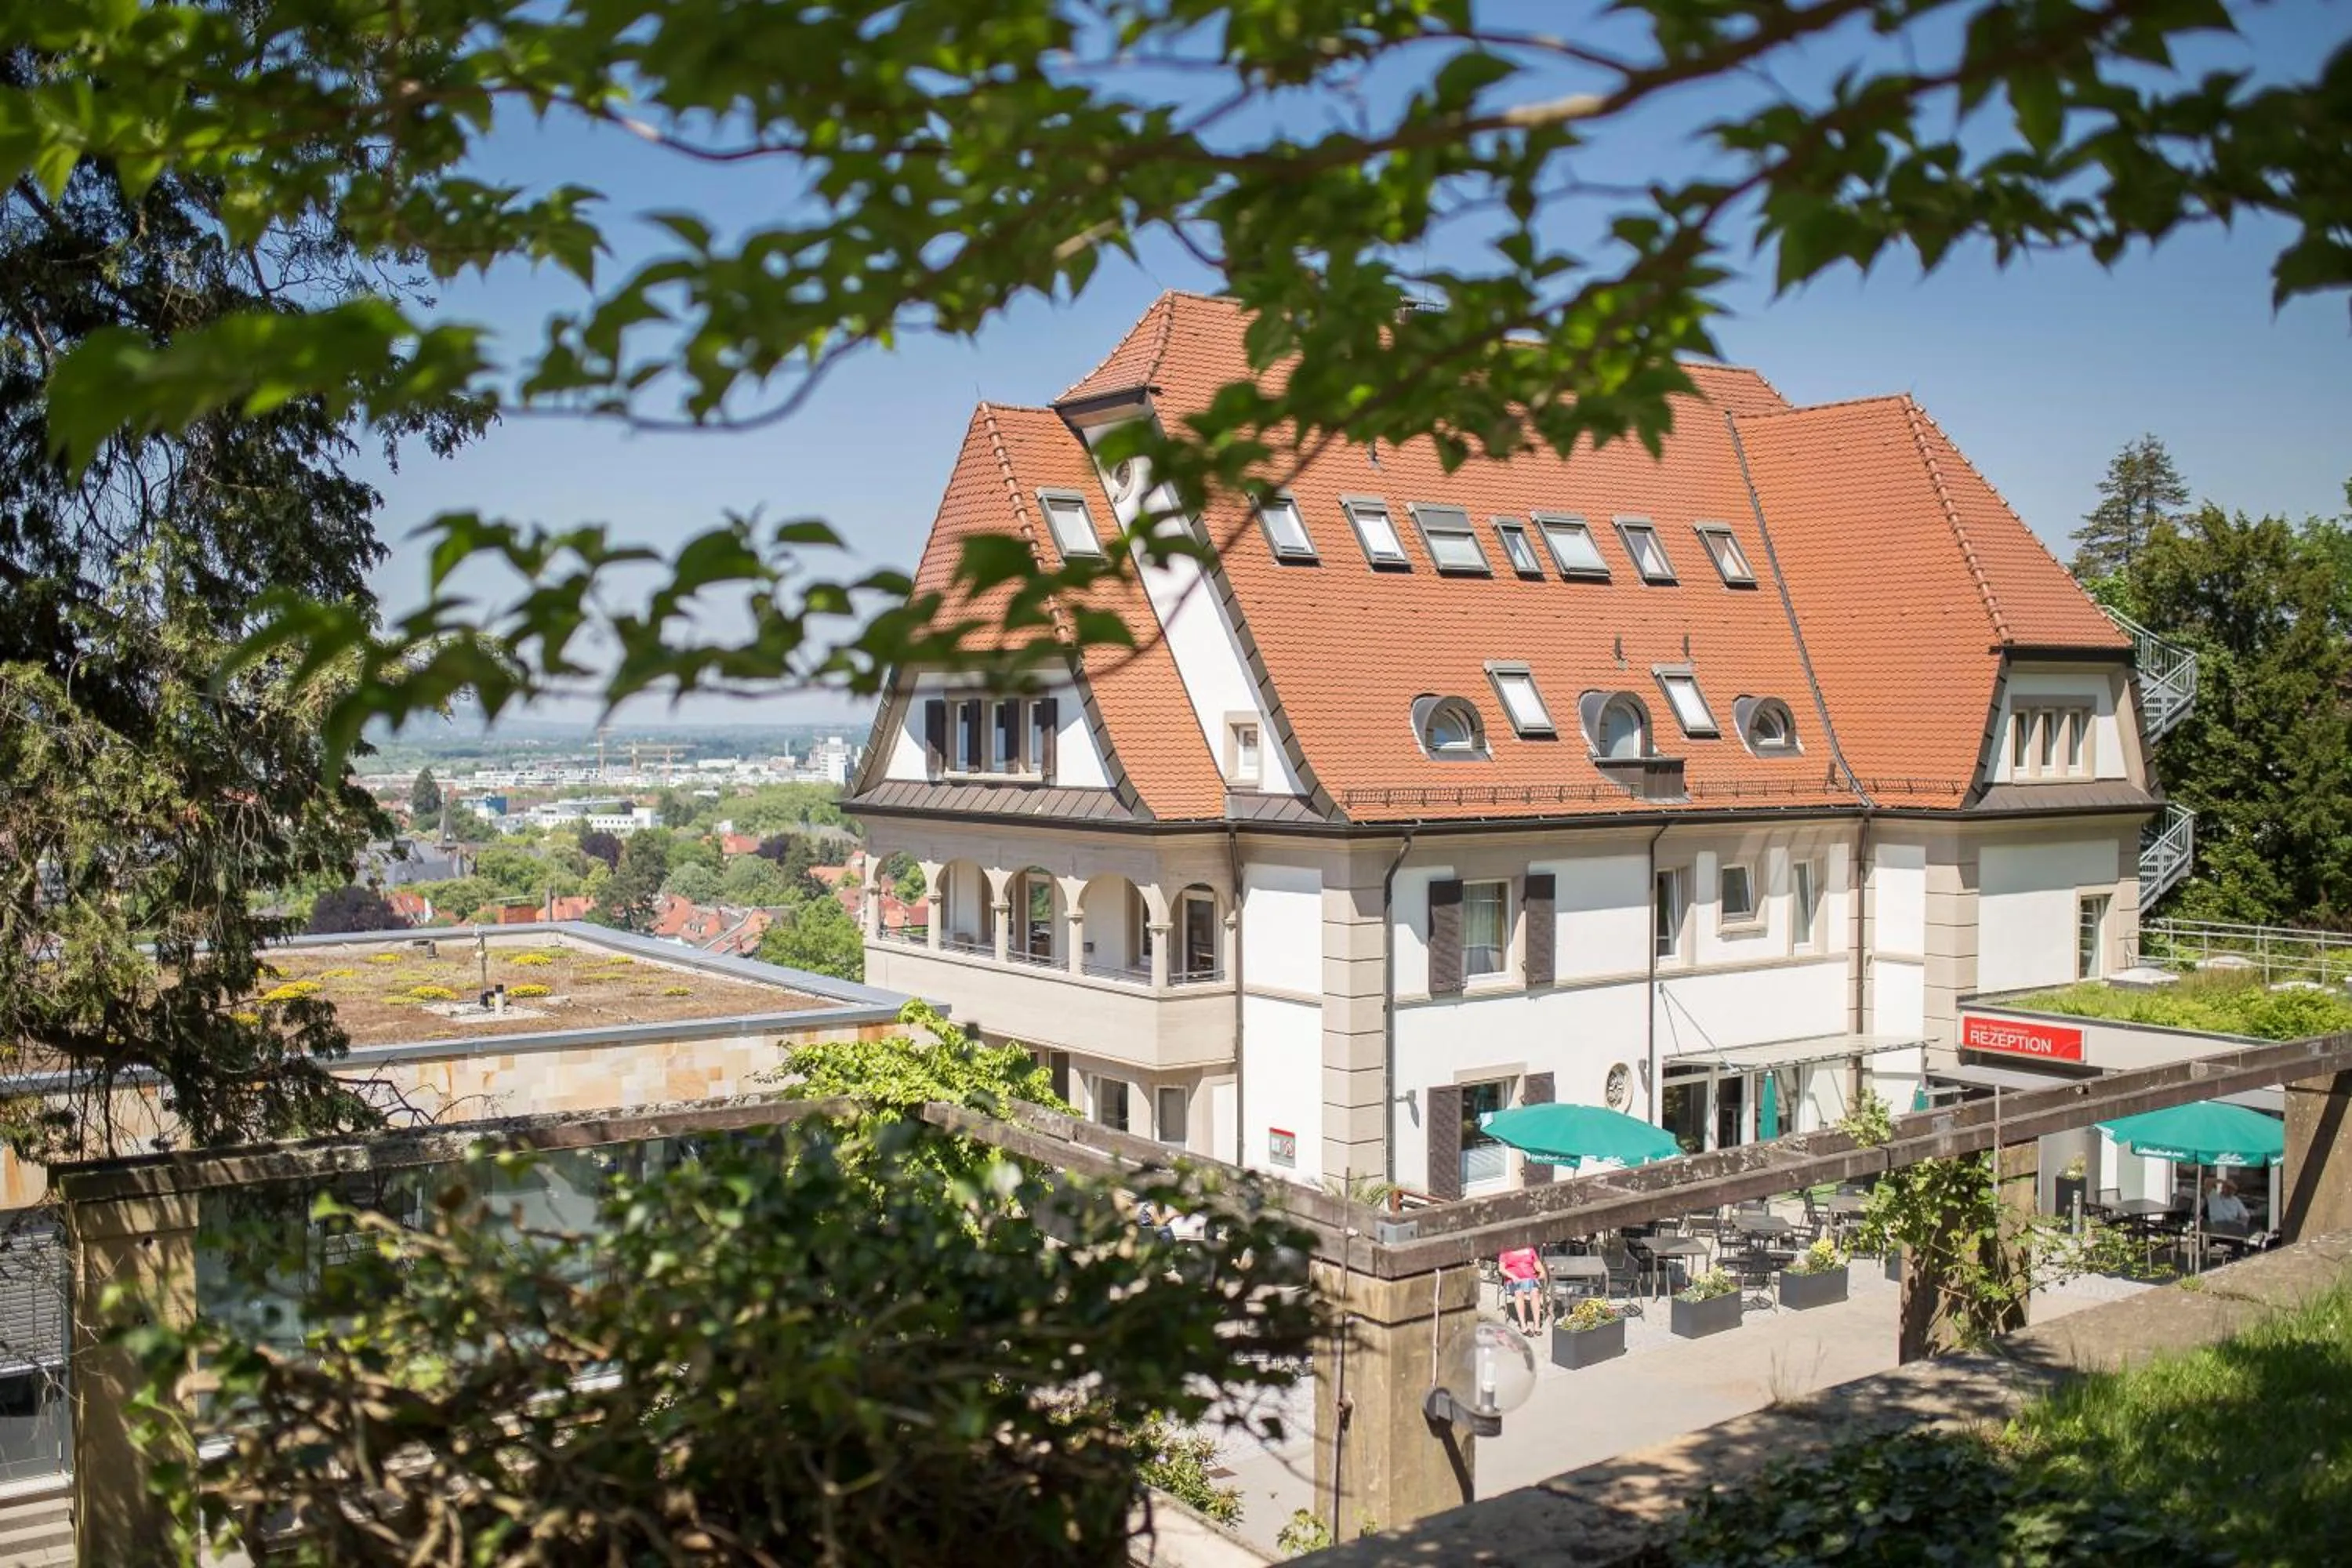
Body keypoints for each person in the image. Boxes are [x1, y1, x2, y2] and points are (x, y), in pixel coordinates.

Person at [1497, 1245, 1548, 1333]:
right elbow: (1501, 1269)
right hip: (1514, 1279)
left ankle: (1537, 1325)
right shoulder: (1505, 1251)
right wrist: (1513, 1277)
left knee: (1535, 1293)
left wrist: (1542, 1272)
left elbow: (1537, 1264)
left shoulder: (1529, 1250)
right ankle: (1523, 1325)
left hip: (1530, 1278)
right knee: (1519, 1293)